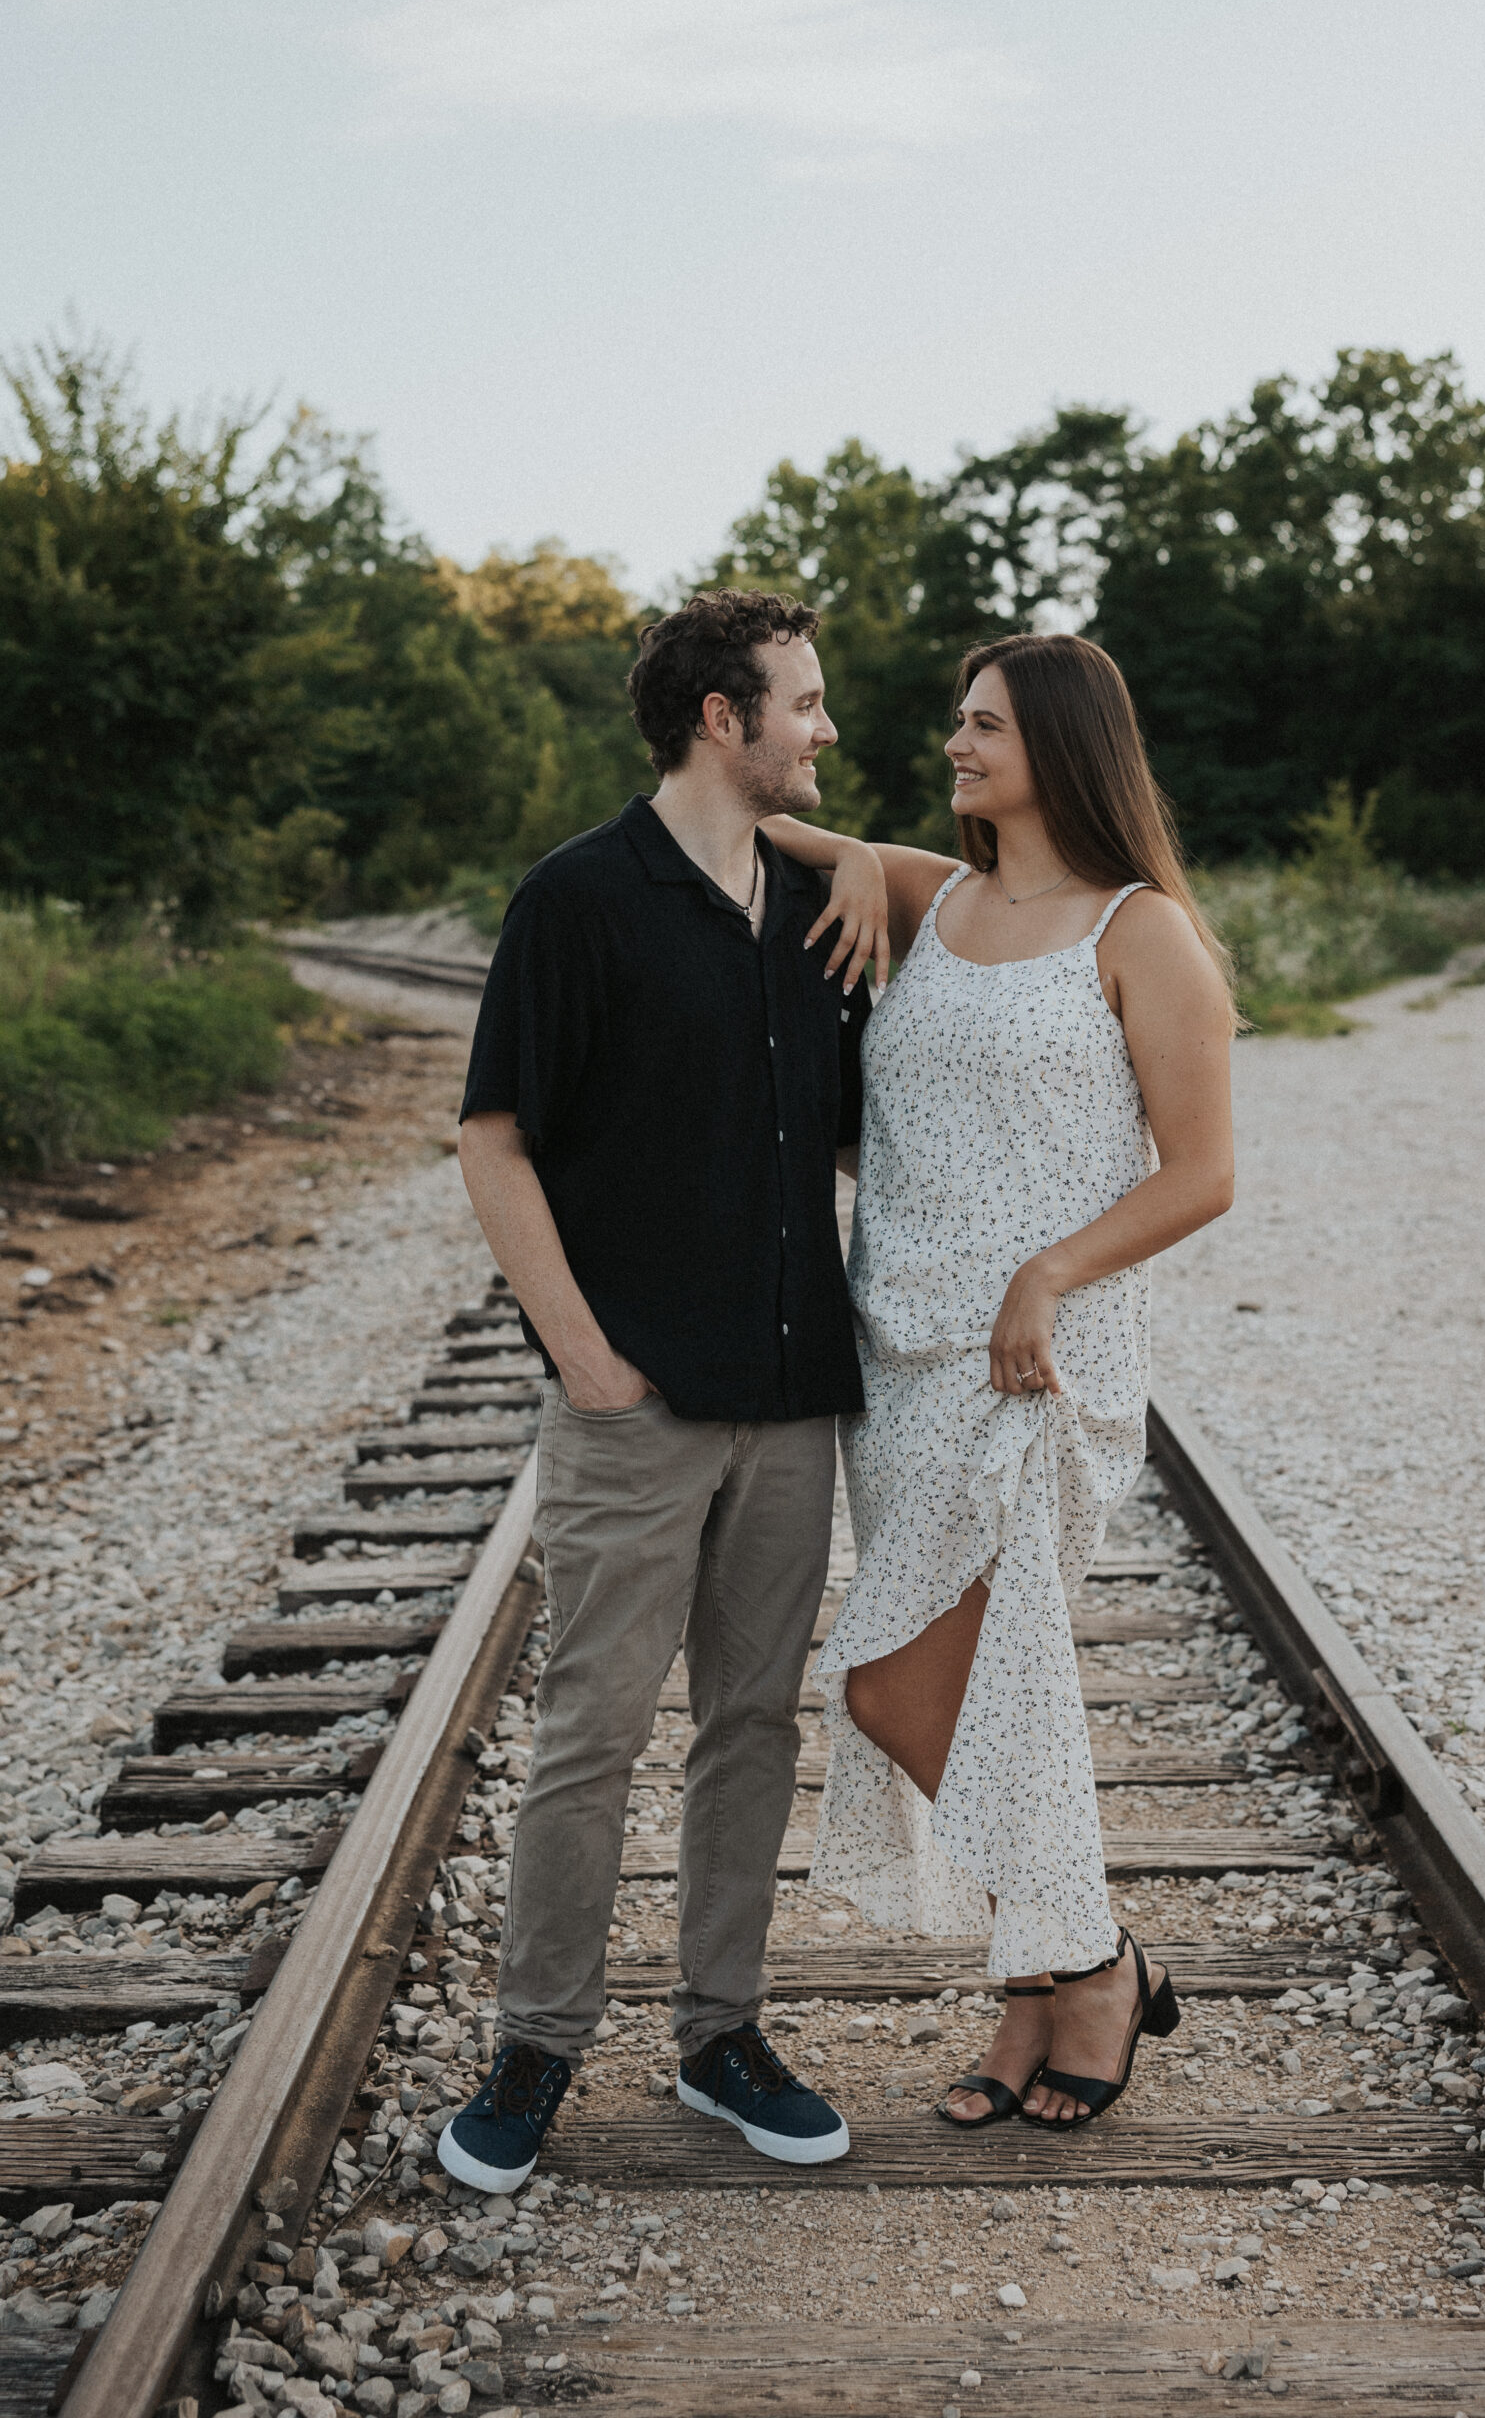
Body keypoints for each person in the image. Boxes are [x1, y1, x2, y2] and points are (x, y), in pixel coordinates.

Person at [439, 589, 886, 2192]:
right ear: (724, 717)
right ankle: (536, 2045)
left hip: (790, 1389)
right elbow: (493, 1137)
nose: (828, 731)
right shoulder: (577, 899)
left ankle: (719, 2035)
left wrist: (871, 877)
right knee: (592, 1733)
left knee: (752, 1725)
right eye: (807, 705)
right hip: (638, 1399)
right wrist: (585, 1359)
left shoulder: (823, 905)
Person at [763, 631, 1237, 2129]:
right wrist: (842, 857)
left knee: (898, 1681)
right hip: (897, 1346)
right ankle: (1054, 1979)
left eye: (981, 726)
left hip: (1034, 1359)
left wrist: (1046, 1274)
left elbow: (1206, 1173)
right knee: (962, 1692)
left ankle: (1083, 1961)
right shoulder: (934, 890)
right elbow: (753, 818)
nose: (953, 745)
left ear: (1061, 746)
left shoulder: (1139, 929)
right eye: (956, 723)